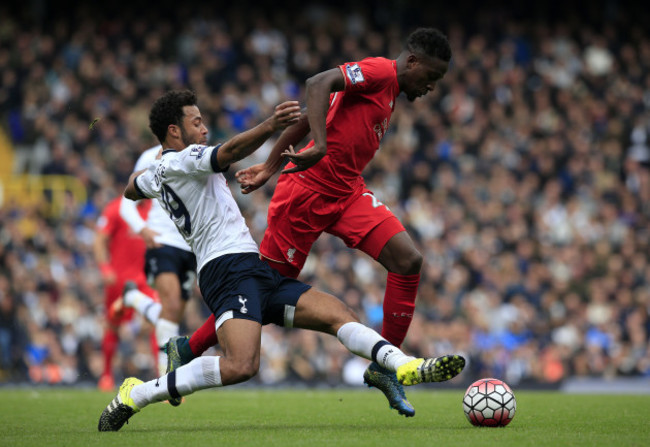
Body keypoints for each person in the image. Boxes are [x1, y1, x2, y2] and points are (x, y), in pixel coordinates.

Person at [98, 89, 465, 431]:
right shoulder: (186, 159)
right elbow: (227, 153)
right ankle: (138, 393)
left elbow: (131, 189)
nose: (205, 128)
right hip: (225, 272)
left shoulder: (161, 169)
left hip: (252, 267)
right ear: (174, 131)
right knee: (242, 365)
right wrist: (271, 126)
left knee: (339, 315)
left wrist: (143, 176)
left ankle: (403, 365)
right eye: (197, 122)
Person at [166, 27, 453, 417]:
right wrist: (313, 147)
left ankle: (387, 368)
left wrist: (270, 165)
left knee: (408, 261)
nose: (430, 87)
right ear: (413, 61)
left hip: (346, 192)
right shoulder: (380, 73)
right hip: (304, 194)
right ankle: (187, 349)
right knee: (264, 290)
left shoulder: (388, 91)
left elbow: (313, 114)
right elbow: (318, 83)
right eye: (430, 77)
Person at [119, 141, 199, 384]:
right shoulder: (150, 155)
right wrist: (142, 229)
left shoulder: (199, 155)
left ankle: (134, 299)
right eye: (196, 122)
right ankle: (167, 378)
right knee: (172, 305)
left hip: (192, 246)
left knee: (171, 316)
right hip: (162, 241)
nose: (203, 129)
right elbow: (126, 202)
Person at [93, 196, 159, 391]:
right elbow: (99, 240)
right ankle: (106, 376)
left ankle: (162, 376)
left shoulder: (155, 208)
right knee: (113, 324)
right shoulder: (115, 208)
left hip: (146, 280)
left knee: (156, 322)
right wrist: (105, 269)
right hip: (119, 281)